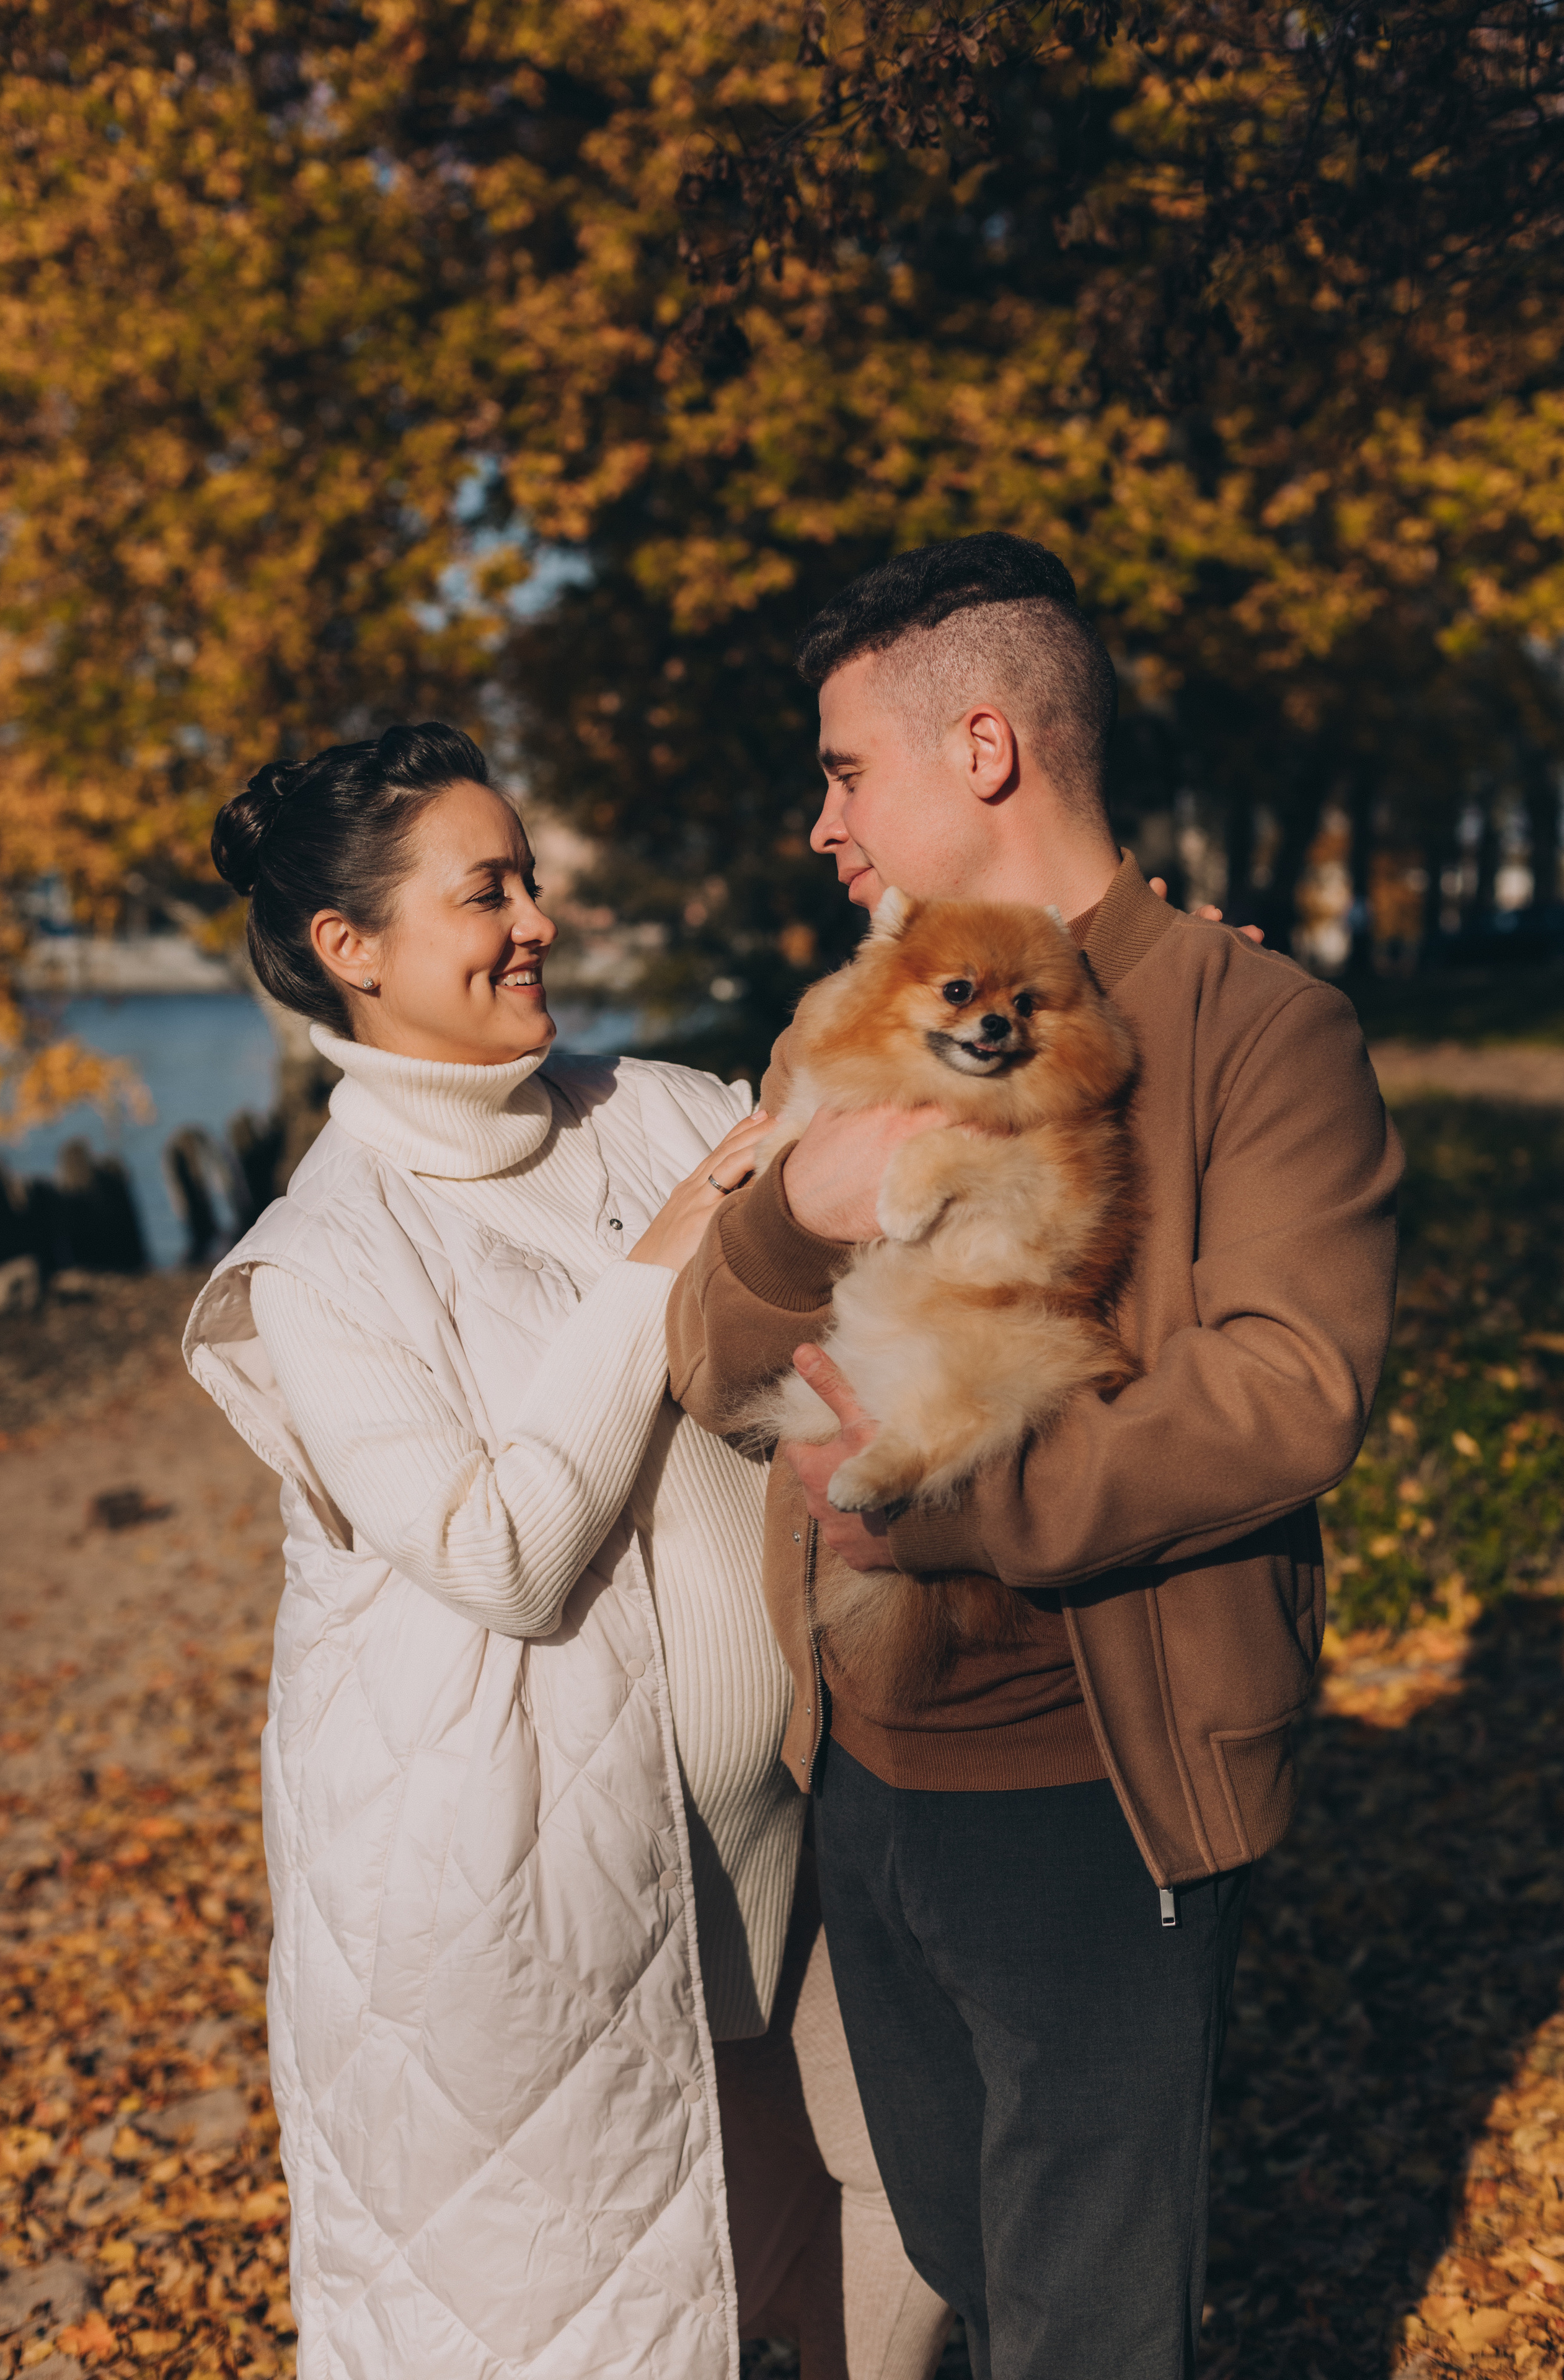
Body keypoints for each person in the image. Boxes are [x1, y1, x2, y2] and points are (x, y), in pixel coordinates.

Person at [669, 534, 1403, 2380]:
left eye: (848, 771)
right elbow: (706, 1360)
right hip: (866, 1773)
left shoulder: (1258, 1028)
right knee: (962, 2260)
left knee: (1088, 2323)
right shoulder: (845, 1023)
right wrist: (794, 1213)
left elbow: (1288, 1388)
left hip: (1100, 1787)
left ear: (983, 747)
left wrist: (940, 1500)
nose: (824, 823)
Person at [184, 724, 952, 2380]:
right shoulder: (322, 1265)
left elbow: (903, 1144)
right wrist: (653, 1266)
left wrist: (1142, 992)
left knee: (906, 2209)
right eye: (487, 892)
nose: (539, 919)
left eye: (529, 879)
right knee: (620, 2312)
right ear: (351, 948)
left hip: (804, 1823)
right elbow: (503, 1554)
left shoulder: (657, 1109)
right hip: (552, 1903)